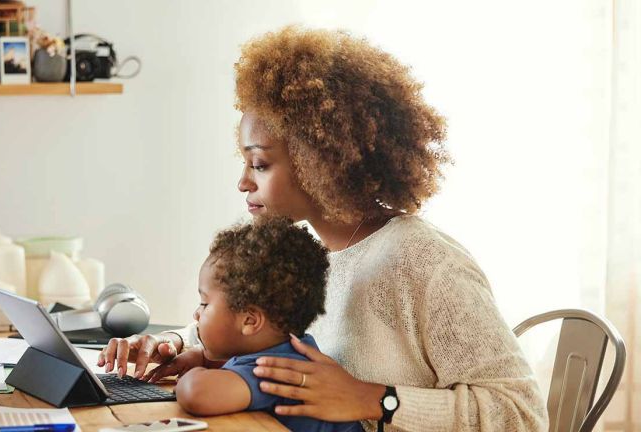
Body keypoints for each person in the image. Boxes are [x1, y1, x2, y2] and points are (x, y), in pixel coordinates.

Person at [98, 26, 547, 431]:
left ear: (323, 160)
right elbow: (255, 326)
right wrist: (172, 342)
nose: (243, 181)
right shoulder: (308, 252)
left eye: (259, 163)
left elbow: (522, 413)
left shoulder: (424, 261)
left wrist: (376, 400)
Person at [165, 217, 362, 432]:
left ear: (250, 320)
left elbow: (197, 394)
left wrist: (193, 375)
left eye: (204, 303)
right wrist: (202, 357)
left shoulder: (277, 370)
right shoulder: (295, 348)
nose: (196, 314)